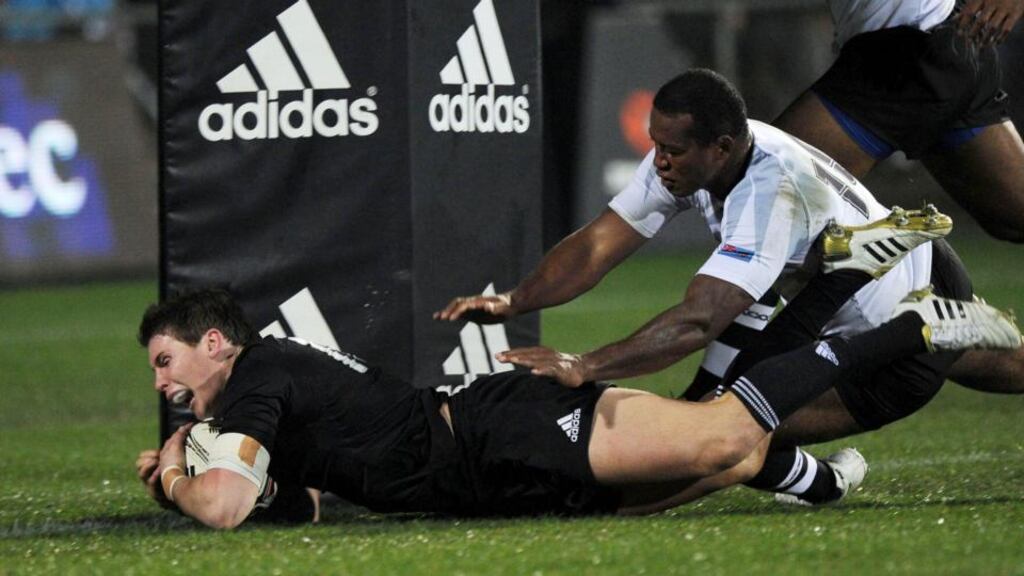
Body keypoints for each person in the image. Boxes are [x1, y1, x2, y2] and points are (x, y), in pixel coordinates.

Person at [435, 68, 1023, 507]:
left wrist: (586, 364)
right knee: (703, 419)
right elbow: (597, 244)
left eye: (672, 150)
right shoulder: (705, 154)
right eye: (655, 146)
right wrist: (517, 299)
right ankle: (828, 472)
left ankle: (841, 459)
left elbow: (700, 320)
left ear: (721, 147)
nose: (658, 162)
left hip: (887, 347)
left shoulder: (771, 191)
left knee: (701, 444)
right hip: (869, 292)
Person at [134, 255, 1020, 527]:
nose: (168, 389)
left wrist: (177, 475)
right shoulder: (262, 391)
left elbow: (222, 507)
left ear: (217, 345)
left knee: (715, 436)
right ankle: (823, 461)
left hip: (493, 438)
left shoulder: (255, 377)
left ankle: (921, 327)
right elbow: (303, 507)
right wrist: (179, 485)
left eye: (168, 364)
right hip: (491, 473)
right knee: (725, 453)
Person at [771, 0, 1024, 394]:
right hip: (944, 43)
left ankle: (914, 330)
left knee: (766, 199)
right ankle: (936, 330)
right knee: (1015, 214)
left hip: (910, 47)